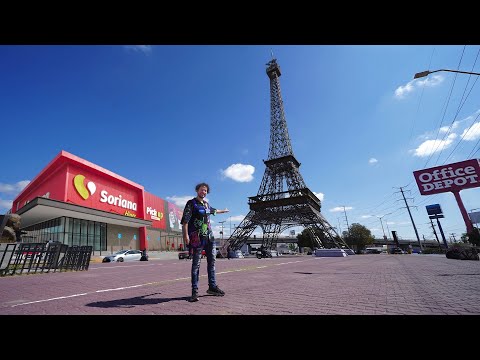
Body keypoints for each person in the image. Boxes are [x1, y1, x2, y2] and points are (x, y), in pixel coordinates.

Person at [181, 182, 229, 302]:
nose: (204, 192)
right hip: (197, 238)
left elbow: (214, 210)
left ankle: (212, 287)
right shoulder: (191, 203)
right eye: (202, 190)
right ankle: (194, 291)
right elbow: (185, 221)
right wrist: (185, 235)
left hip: (210, 237)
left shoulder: (206, 204)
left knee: (212, 262)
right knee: (196, 265)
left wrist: (223, 211)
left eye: (206, 191)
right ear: (197, 190)